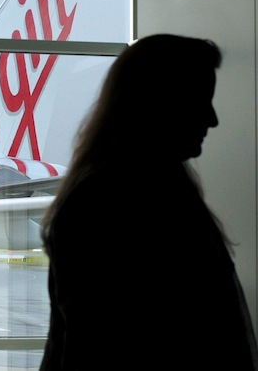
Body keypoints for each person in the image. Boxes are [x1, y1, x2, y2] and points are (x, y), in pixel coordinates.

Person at [39, 34, 258, 370]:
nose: (212, 119)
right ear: (159, 104)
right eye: (199, 100)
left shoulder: (103, 202)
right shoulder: (143, 201)